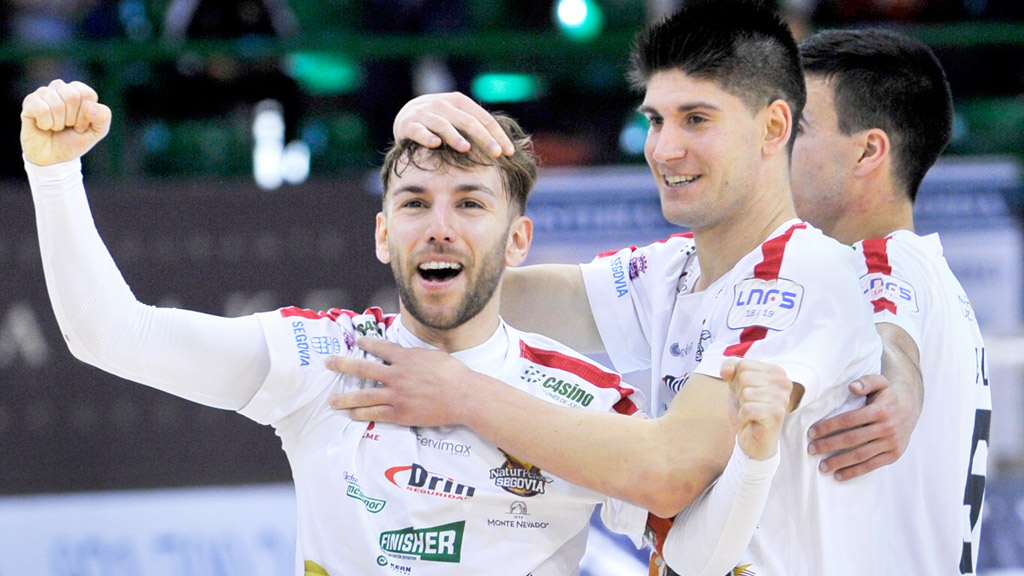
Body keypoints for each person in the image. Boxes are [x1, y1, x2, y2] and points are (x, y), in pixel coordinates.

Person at [21, 79, 796, 576]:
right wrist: (54, 174)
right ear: (383, 235)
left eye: (471, 204)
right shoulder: (326, 358)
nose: (440, 227)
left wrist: (756, 456)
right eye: (416, 203)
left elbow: (698, 558)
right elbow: (112, 334)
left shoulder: (582, 395)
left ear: (517, 241)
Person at [328, 1, 894, 574]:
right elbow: (478, 293)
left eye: (696, 119)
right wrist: (422, 152)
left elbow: (668, 472)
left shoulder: (800, 274)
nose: (664, 149)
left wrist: (461, 394)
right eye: (656, 120)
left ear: (773, 128)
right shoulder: (674, 269)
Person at [792, 28, 991, 574]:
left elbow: (889, 334)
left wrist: (902, 383)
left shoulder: (878, 259)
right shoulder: (930, 275)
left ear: (868, 151)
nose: (771, 147)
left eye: (796, 129)